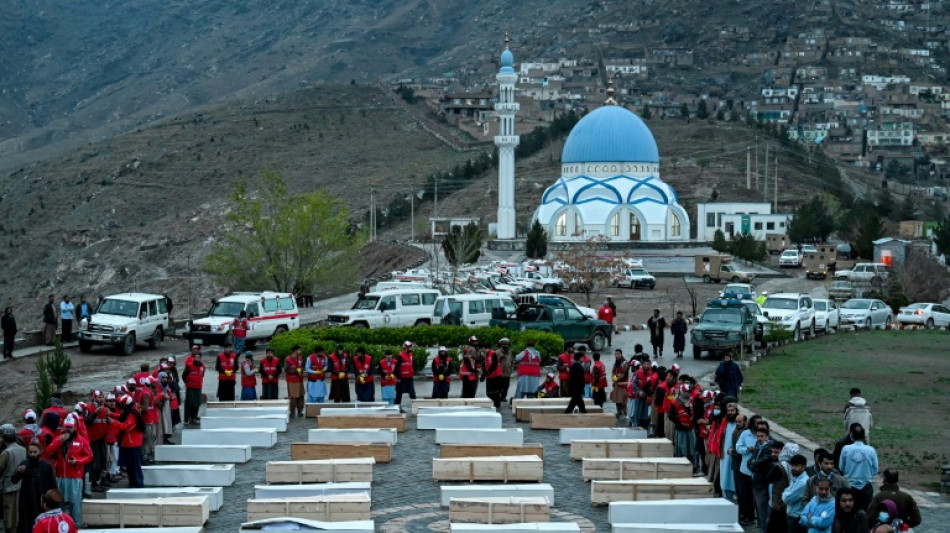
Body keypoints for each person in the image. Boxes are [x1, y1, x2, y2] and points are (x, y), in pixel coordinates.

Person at [43, 417, 90, 524]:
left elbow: (90, 456)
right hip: (59, 476)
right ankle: (60, 525)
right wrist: (59, 441)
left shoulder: (82, 440)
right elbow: (48, 452)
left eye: (70, 427)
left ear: (75, 427)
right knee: (59, 503)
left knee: (75, 503)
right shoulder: (58, 439)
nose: (68, 429)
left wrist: (78, 461)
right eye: (66, 427)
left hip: (74, 477)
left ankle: (75, 524)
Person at [11, 441, 57, 533]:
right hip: (26, 502)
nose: (32, 454)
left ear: (40, 451)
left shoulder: (46, 466)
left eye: (35, 452)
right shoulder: (24, 464)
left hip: (41, 502)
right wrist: (18, 472)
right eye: (30, 452)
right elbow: (14, 480)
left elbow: (53, 486)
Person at [838, 425, 877, 514]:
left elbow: (841, 467)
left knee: (848, 513)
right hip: (866, 487)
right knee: (865, 513)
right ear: (864, 436)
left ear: (851, 436)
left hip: (849, 486)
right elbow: (875, 470)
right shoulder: (871, 450)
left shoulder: (846, 449)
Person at [112, 395, 144, 489]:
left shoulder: (132, 414)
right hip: (129, 444)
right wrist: (111, 415)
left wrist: (114, 422)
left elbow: (126, 427)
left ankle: (138, 484)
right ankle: (134, 483)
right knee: (130, 467)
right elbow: (121, 417)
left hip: (132, 444)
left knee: (134, 467)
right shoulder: (133, 412)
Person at [737, 414, 763, 526]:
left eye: (760, 423)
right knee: (745, 495)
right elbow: (738, 447)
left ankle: (755, 517)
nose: (759, 425)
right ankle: (746, 515)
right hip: (745, 469)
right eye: (757, 423)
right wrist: (747, 449)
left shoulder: (762, 435)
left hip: (757, 471)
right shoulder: (745, 434)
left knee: (756, 496)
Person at [0, 425, 27, 533]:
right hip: (19, 485)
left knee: (8, 512)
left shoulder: (6, 452)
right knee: (16, 512)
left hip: (7, 486)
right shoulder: (23, 449)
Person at [670, 384, 700, 476]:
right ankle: (681, 467)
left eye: (689, 392)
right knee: (682, 449)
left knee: (692, 449)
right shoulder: (675, 402)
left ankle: (693, 466)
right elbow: (671, 416)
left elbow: (695, 414)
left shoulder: (691, 402)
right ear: (682, 392)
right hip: (681, 430)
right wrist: (679, 423)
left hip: (690, 430)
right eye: (686, 391)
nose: (688, 393)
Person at [783, 454, 810, 533]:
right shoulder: (796, 478)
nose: (793, 468)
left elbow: (786, 499)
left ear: (804, 467)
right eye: (792, 465)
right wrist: (786, 492)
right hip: (792, 517)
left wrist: (785, 492)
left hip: (797, 519)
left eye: (796, 466)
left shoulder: (803, 482)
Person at [719, 403, 740, 501]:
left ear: (736, 411)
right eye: (729, 411)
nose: (730, 413)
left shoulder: (739, 423)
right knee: (725, 474)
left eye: (732, 410)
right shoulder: (724, 422)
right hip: (724, 453)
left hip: (735, 454)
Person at [181, 346, 205, 425]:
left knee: (197, 403)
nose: (197, 358)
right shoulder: (189, 366)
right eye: (196, 357)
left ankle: (194, 417)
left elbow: (202, 375)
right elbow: (183, 376)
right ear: (193, 357)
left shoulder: (202, 367)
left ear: (201, 358)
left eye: (199, 357)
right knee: (189, 403)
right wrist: (188, 383)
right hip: (190, 387)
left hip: (198, 387)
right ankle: (187, 419)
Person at [284, 346, 305, 417]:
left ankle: (300, 411)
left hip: (300, 379)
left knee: (301, 395)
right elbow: (286, 369)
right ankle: (292, 412)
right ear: (295, 351)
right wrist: (295, 371)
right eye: (299, 350)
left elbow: (302, 366)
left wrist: (301, 369)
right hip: (292, 380)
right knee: (293, 396)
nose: (300, 351)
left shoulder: (300, 358)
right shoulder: (288, 359)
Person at [395, 341, 417, 406]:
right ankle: (397, 407)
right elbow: (397, 367)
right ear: (406, 347)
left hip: (409, 377)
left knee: (412, 393)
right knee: (399, 393)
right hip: (402, 378)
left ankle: (415, 407)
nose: (411, 348)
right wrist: (398, 377)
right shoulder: (400, 355)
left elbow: (411, 364)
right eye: (409, 346)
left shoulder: (411, 354)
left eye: (411, 346)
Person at [609, 349, 629, 419]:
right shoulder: (616, 363)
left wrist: (617, 378)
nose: (616, 355)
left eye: (618, 354)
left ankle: (624, 412)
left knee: (623, 399)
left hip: (623, 384)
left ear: (621, 354)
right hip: (617, 384)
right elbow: (613, 371)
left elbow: (623, 374)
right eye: (615, 354)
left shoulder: (625, 363)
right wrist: (613, 378)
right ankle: (619, 411)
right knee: (617, 399)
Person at [497, 338, 513, 404]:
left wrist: (511, 369)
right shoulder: (497, 352)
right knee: (499, 386)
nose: (505, 345)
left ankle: (503, 397)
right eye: (504, 344)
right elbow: (496, 361)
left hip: (507, 372)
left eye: (506, 344)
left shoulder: (509, 352)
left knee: (506, 386)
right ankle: (498, 397)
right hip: (500, 372)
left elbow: (511, 361)